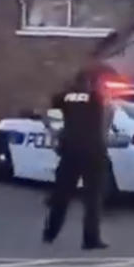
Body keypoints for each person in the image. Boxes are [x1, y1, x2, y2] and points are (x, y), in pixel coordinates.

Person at [41, 63, 114, 250]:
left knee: (62, 195)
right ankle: (90, 239)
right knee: (93, 198)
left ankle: (50, 233)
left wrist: (55, 133)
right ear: (92, 82)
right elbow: (107, 118)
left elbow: (47, 114)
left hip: (70, 150)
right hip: (93, 151)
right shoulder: (98, 98)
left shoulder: (63, 97)